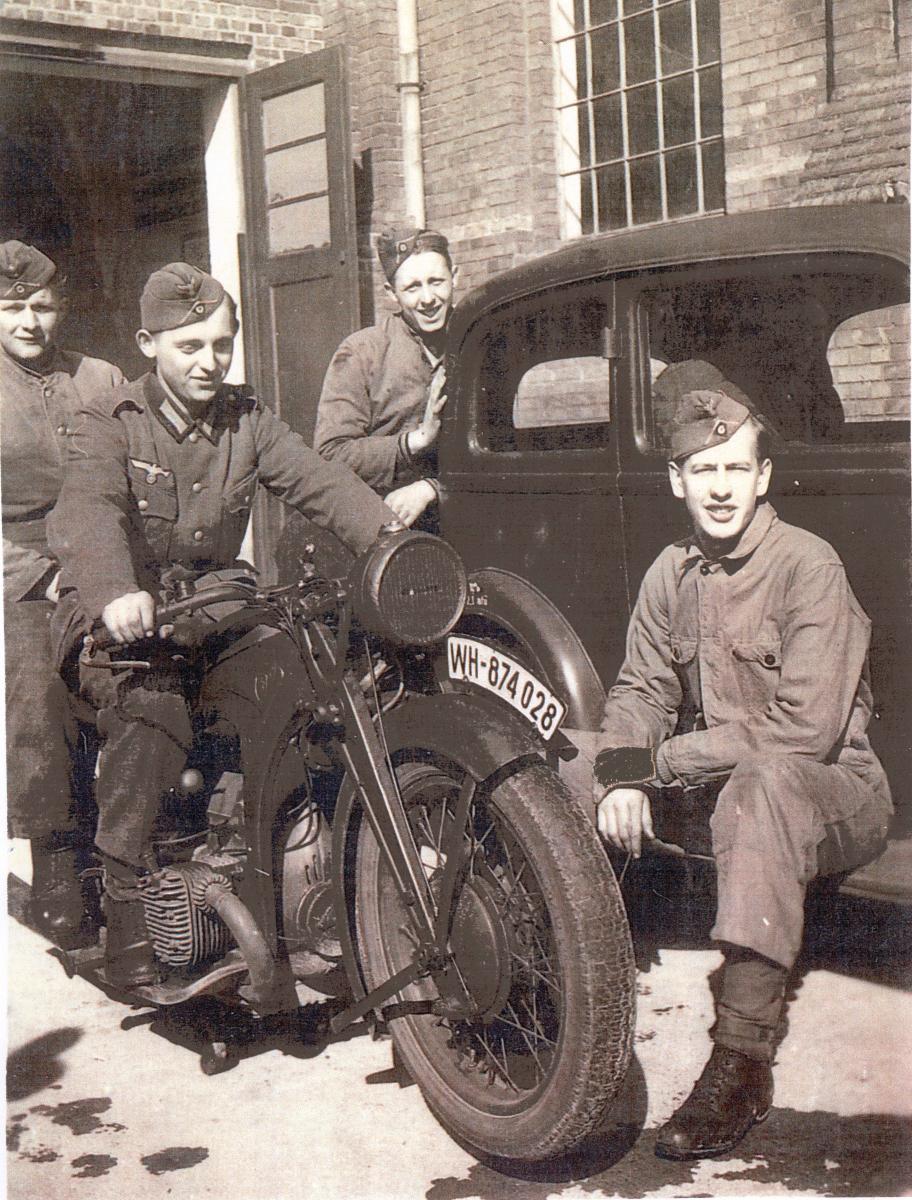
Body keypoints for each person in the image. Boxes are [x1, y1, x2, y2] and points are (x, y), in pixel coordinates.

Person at [47, 262, 397, 988]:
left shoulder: (246, 419)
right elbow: (89, 512)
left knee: (301, 681)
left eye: (220, 345)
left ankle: (285, 867)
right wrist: (116, 590)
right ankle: (126, 915)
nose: (209, 362)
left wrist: (386, 534)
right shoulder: (108, 421)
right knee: (156, 715)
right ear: (150, 344)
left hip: (209, 607)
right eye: (189, 347)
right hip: (120, 623)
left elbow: (317, 481)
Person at [591, 370, 892, 1161]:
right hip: (722, 791)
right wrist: (622, 769)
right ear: (676, 480)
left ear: (762, 477)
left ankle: (742, 1061)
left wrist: (663, 761)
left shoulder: (808, 567)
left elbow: (803, 729)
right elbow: (640, 687)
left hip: (834, 795)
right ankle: (551, 1011)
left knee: (761, 790)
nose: (719, 489)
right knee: (568, 768)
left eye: (734, 469)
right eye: (702, 470)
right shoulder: (670, 574)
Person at [0, 240, 125, 948]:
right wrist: (37, 573)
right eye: (13, 308)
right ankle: (54, 859)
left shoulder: (100, 376)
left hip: (101, 555)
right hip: (18, 572)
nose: (29, 322)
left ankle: (139, 848)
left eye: (41, 306)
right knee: (41, 696)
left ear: (62, 306)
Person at [313, 227, 456, 529]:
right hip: (377, 523)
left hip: (460, 513)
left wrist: (432, 487)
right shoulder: (363, 352)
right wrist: (415, 441)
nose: (428, 298)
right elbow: (330, 454)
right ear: (391, 293)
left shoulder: (474, 341)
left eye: (436, 282)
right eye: (412, 287)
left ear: (455, 276)